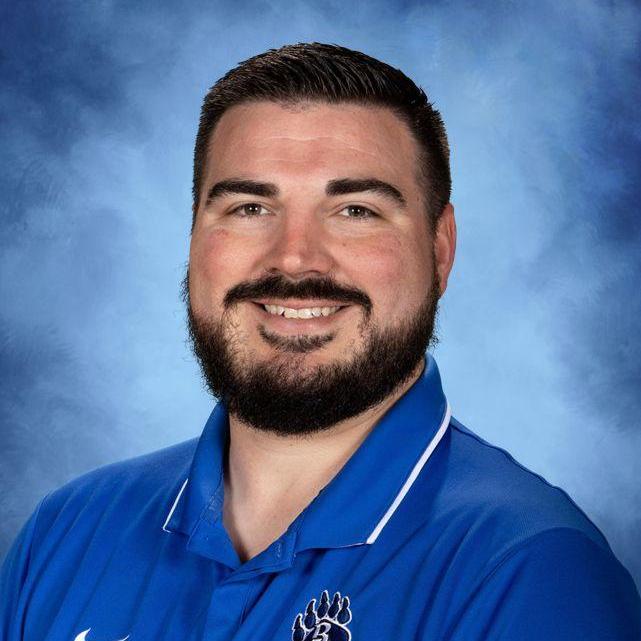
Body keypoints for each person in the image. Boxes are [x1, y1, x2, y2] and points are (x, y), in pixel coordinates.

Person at [1, 42, 639, 641]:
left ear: (440, 250)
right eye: (250, 207)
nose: (295, 259)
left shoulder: (531, 571)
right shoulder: (66, 533)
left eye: (356, 211)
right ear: (194, 237)